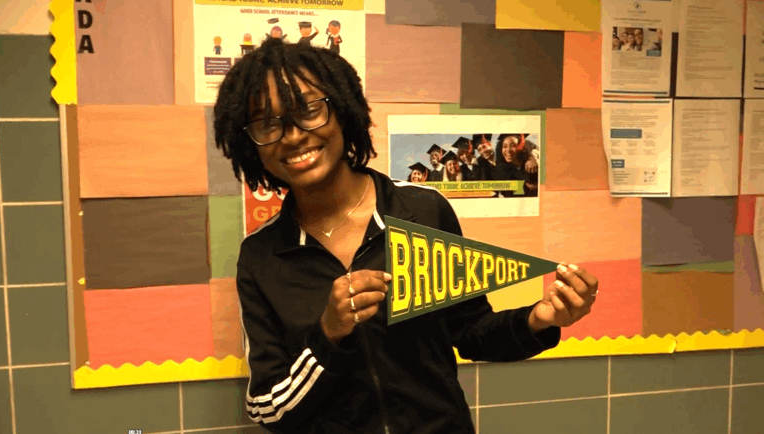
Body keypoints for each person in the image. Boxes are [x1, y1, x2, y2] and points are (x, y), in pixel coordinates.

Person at [212, 38, 598, 434]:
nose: (292, 136)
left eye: (309, 110)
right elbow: (267, 408)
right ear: (250, 145)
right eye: (267, 123)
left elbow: (471, 332)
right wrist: (327, 335)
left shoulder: (421, 212)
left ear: (342, 111)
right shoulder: (262, 257)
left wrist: (537, 320)